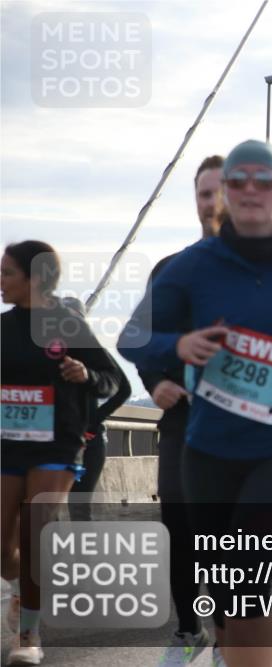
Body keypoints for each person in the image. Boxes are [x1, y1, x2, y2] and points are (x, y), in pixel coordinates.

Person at [119, 139, 272, 667]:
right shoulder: (190, 267)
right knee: (224, 580)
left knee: (249, 570)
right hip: (209, 448)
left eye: (265, 180)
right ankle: (218, 645)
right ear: (226, 194)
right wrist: (176, 347)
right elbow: (133, 338)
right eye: (239, 181)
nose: (252, 189)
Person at [2, 241, 121, 665]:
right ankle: (20, 591)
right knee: (3, 546)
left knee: (36, 529)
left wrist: (86, 374)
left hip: (59, 444)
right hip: (9, 445)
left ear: (34, 279)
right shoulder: (3, 327)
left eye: (7, 273)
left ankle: (29, 636)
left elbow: (114, 381)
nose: (0, 281)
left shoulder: (66, 325)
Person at [134, 154, 227, 666]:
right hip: (182, 422)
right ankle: (189, 628)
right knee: (180, 524)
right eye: (203, 193)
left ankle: (228, 632)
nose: (211, 203)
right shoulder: (169, 270)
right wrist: (158, 383)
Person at [63, 296, 132, 523]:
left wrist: (94, 421)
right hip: (55, 440)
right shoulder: (45, 352)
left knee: (79, 508)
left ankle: (83, 557)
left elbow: (124, 389)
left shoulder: (93, 351)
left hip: (89, 442)